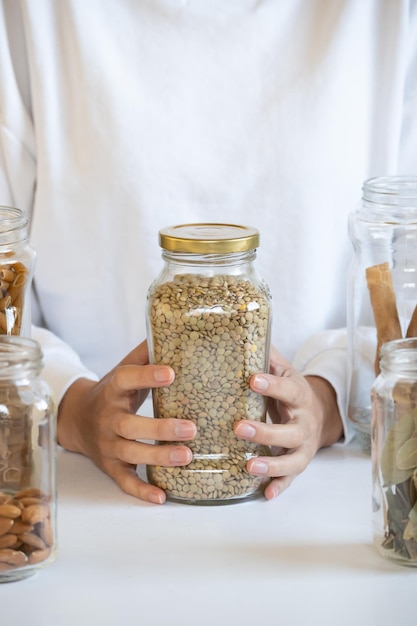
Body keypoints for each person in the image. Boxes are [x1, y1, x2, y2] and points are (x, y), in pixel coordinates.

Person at [0, 0, 415, 504]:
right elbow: (7, 276)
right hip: (71, 488)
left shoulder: (388, 17)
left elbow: (401, 297)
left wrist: (325, 402)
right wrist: (73, 409)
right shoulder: (28, 16)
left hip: (335, 495)